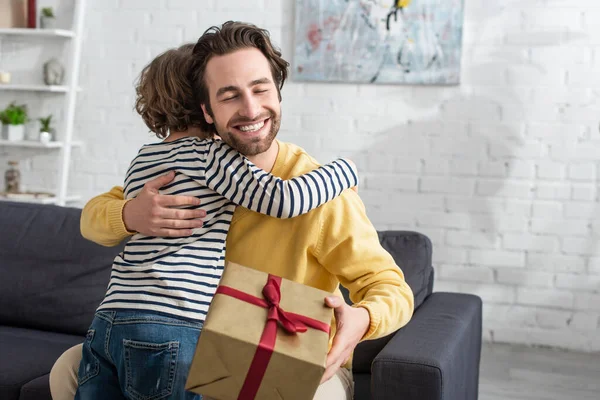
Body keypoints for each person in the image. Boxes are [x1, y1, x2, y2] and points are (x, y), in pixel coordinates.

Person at [50, 21, 414, 400]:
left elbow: (391, 288)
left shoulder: (316, 190)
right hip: (195, 346)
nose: (251, 108)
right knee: (68, 369)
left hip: (285, 357)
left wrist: (364, 317)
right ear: (206, 110)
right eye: (230, 96)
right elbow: (93, 215)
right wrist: (129, 216)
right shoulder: (184, 174)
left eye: (260, 89)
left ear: (278, 92)